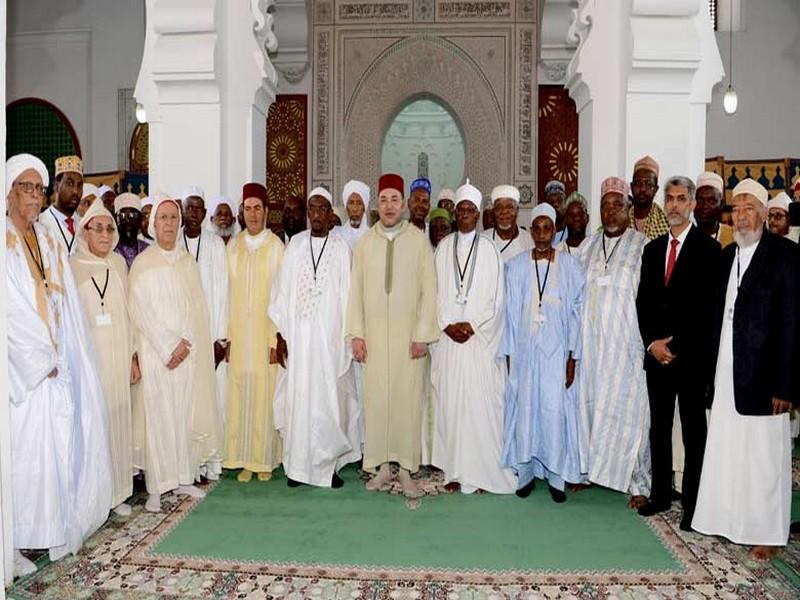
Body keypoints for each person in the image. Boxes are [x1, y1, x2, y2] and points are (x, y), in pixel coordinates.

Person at [6, 154, 112, 575]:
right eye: (26, 188)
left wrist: (69, 352)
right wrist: (40, 357)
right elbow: (9, 311)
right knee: (24, 456)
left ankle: (51, 531)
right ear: (9, 193)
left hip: (56, 365)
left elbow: (65, 298)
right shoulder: (5, 241)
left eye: (38, 189)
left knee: (55, 452)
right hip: (23, 375)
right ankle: (14, 539)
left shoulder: (47, 239)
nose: (34, 196)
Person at [693, 178, 799, 561]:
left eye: (748, 208)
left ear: (763, 214)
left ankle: (768, 532)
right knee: (728, 449)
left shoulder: (786, 257)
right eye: (735, 210)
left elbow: (792, 324)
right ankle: (728, 520)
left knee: (763, 457)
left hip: (766, 377)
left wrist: (785, 386)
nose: (740, 216)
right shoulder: (727, 257)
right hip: (727, 372)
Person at [636, 176, 721, 531]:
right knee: (659, 428)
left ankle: (692, 505)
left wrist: (676, 346)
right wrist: (653, 344)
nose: (673, 205)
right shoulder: (652, 249)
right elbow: (642, 302)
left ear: (691, 205)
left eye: (680, 199)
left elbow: (707, 311)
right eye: (669, 198)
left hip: (690, 360)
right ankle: (659, 496)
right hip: (657, 358)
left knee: (693, 432)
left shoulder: (708, 250)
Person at [346, 173, 439, 498]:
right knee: (377, 402)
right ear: (377, 204)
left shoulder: (418, 241)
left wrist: (423, 335)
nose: (388, 206)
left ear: (403, 204)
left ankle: (406, 471)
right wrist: (356, 334)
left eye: (394, 200)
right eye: (383, 200)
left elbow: (430, 292)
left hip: (407, 341)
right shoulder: (366, 244)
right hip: (374, 339)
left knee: (406, 403)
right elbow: (354, 292)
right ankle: (383, 469)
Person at [128, 195, 223, 512]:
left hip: (186, 354)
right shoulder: (143, 263)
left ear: (179, 222)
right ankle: (157, 487)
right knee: (159, 419)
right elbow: (139, 311)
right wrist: (168, 345)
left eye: (173, 217)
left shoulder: (187, 262)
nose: (168, 223)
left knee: (182, 415)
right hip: (158, 356)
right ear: (153, 224)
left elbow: (197, 310)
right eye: (163, 218)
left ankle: (183, 478)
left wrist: (184, 343)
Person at [269, 187, 361, 488]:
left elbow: (349, 296)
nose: (317, 214)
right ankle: (297, 467)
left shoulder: (341, 248)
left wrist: (348, 338)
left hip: (329, 340)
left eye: (323, 208)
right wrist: (281, 335)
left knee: (328, 402)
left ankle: (325, 467)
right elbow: (281, 292)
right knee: (300, 400)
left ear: (330, 213)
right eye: (313, 209)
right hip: (298, 338)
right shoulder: (295, 246)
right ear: (308, 213)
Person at [431, 181, 516, 494]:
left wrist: (472, 326)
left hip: (479, 343)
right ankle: (454, 470)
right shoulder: (442, 248)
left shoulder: (491, 250)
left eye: (471, 210)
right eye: (461, 210)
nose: (465, 214)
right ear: (456, 214)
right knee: (451, 406)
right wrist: (446, 324)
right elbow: (435, 293)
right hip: (450, 342)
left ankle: (482, 473)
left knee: (481, 409)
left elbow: (497, 300)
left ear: (480, 215)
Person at [501, 202, 585, 503]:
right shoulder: (517, 267)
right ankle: (524, 475)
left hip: (556, 355)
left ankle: (556, 479)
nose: (540, 233)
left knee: (553, 412)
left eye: (546, 227)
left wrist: (572, 357)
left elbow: (577, 314)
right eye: (535, 227)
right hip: (524, 355)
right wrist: (509, 356)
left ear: (554, 230)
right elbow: (509, 315)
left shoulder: (571, 268)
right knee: (525, 412)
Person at [577, 177, 651, 507]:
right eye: (605, 206)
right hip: (591, 348)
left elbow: (653, 301)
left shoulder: (644, 246)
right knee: (589, 408)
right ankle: (589, 471)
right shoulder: (586, 248)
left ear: (628, 208)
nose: (610, 212)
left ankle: (638, 483)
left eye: (617, 206)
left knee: (631, 414)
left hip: (626, 349)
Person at [71, 198, 139, 517]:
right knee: (97, 425)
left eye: (109, 228)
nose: (106, 234)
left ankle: (119, 492)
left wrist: (134, 357)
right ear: (85, 232)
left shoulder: (119, 264)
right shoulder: (73, 268)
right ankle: (97, 496)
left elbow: (130, 313)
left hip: (119, 354)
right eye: (98, 228)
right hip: (92, 362)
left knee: (118, 419)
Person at [224, 182, 284, 482]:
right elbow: (227, 295)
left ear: (267, 211)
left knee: (264, 395)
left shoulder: (276, 247)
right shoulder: (233, 247)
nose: (252, 214)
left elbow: (281, 296)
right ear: (241, 213)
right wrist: (228, 338)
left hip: (265, 336)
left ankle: (265, 459)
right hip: (240, 335)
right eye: (247, 208)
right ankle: (245, 458)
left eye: (257, 208)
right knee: (241, 392)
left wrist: (277, 340)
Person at [181, 186, 229, 468]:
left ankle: (212, 461)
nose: (194, 213)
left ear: (204, 213)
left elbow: (223, 291)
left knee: (213, 399)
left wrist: (220, 339)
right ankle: (189, 461)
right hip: (185, 338)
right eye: (190, 207)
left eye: (199, 208)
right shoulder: (174, 244)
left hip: (210, 336)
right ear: (183, 209)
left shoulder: (215, 245)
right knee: (186, 400)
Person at [39, 155, 83, 256]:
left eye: (79, 185)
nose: (75, 191)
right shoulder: (41, 223)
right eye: (69, 183)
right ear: (56, 186)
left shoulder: (85, 225)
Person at [484, 185, 533, 262]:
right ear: (494, 211)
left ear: (517, 210)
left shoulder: (529, 241)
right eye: (499, 207)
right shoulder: (484, 239)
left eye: (509, 207)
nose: (504, 211)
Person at [629, 155, 669, 240]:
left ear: (656, 189)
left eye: (648, 184)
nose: (642, 189)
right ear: (631, 187)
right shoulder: (623, 221)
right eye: (638, 183)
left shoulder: (667, 223)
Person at [694, 172, 734, 248]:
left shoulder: (733, 236)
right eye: (700, 200)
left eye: (711, 201)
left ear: (721, 204)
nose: (705, 206)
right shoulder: (684, 238)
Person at [114, 193, 150, 269]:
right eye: (122, 215)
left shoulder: (148, 250)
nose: (128, 220)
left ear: (140, 219)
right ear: (116, 221)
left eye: (133, 215)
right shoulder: (110, 250)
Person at [335, 179, 370, 249]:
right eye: (351, 203)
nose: (355, 209)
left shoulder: (372, 236)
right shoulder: (337, 235)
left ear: (364, 207)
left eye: (359, 203)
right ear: (346, 207)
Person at [559, 191, 590, 255]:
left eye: (580, 213)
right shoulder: (557, 252)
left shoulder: (595, 249)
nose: (576, 218)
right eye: (571, 214)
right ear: (565, 219)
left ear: (587, 218)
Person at [542, 180, 568, 244]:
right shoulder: (541, 234)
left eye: (559, 201)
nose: (555, 205)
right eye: (551, 202)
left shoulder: (572, 232)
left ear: (565, 204)